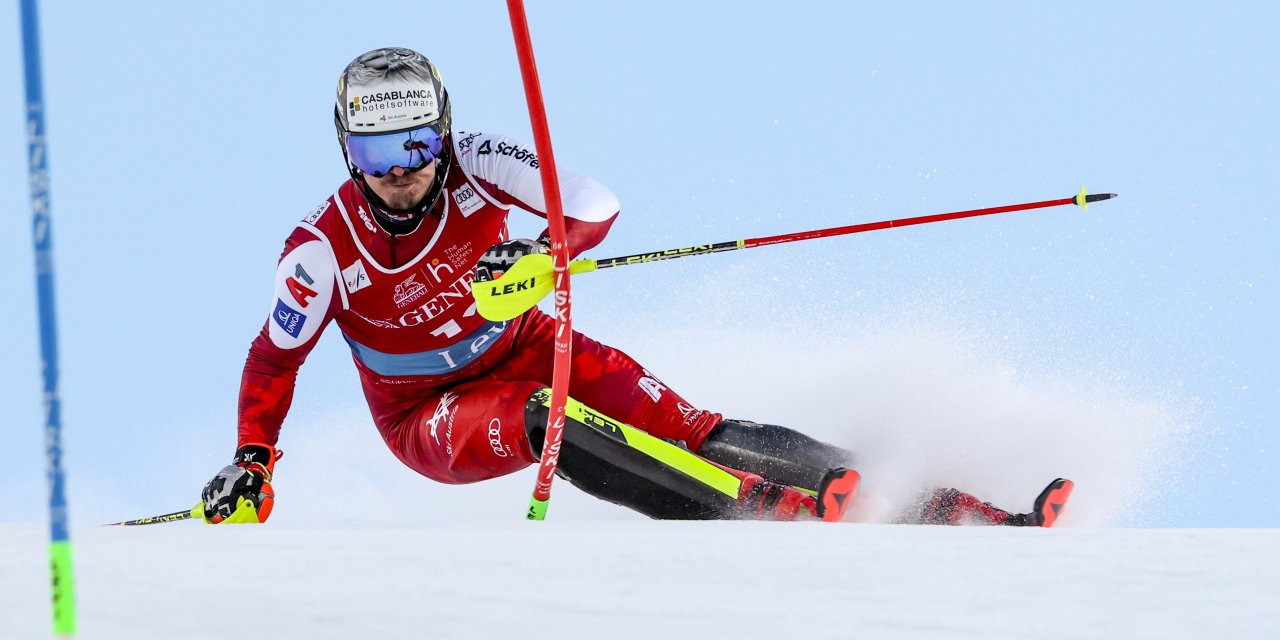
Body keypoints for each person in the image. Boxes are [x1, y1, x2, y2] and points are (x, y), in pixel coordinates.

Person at [200, 47, 1071, 527]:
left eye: (417, 146)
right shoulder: (321, 252)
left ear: (445, 134)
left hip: (525, 345)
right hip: (427, 415)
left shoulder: (477, 163)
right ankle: (760, 515)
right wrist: (253, 463)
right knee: (553, 424)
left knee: (694, 427)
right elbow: (272, 362)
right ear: (347, 152)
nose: (402, 175)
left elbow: (593, 202)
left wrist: (543, 253)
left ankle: (950, 506)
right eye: (379, 156)